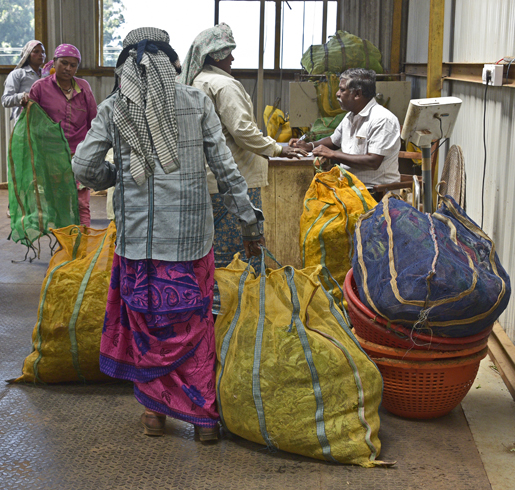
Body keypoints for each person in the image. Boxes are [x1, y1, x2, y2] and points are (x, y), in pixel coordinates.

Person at [72, 27, 265, 443]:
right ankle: (203, 420)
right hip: (190, 244)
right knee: (194, 324)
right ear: (173, 66)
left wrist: (116, 176)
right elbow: (228, 170)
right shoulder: (195, 102)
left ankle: (154, 417)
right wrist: (251, 223)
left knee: (148, 326)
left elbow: (84, 166)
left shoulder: (114, 109)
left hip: (138, 246)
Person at [178, 23, 306, 269]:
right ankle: (236, 300)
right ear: (216, 56)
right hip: (235, 179)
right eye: (228, 53)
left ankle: (212, 298)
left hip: (204, 179)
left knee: (210, 247)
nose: (233, 58)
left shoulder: (194, 82)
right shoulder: (223, 85)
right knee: (237, 250)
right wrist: (278, 148)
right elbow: (242, 131)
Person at [290, 68, 401, 195]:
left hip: (375, 191)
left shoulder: (382, 119)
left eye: (342, 90)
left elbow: (373, 161)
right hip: (351, 186)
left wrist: (333, 154)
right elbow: (333, 141)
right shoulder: (350, 116)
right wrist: (309, 146)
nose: (337, 94)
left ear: (357, 94)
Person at [29, 44, 98, 227]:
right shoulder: (40, 88)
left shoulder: (83, 87)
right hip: (52, 155)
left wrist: (94, 152)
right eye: (64, 63)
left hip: (80, 154)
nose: (68, 68)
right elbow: (30, 121)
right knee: (58, 203)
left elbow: (93, 121)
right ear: (54, 62)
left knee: (82, 203)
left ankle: (82, 247)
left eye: (73, 65)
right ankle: (64, 247)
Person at [1, 40, 46, 122]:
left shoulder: (47, 75)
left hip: (44, 124)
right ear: (28, 55)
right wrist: (22, 96)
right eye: (36, 52)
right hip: (25, 123)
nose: (41, 55)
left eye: (43, 52)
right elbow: (5, 100)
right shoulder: (18, 74)